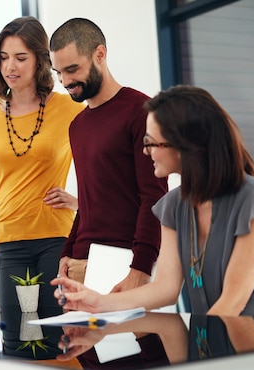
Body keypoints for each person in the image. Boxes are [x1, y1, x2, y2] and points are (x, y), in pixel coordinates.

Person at [52, 85, 254, 317]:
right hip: (218, 338)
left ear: (185, 145)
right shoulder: (172, 206)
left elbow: (233, 302)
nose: (145, 151)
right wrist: (99, 302)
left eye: (151, 143)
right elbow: (166, 289)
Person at [0, 16, 84, 306]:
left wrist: (79, 202)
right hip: (8, 241)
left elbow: (104, 171)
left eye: (20, 58)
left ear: (40, 60)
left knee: (58, 337)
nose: (10, 67)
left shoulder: (69, 109)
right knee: (15, 338)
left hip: (56, 238)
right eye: (4, 58)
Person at [49, 18, 168, 291]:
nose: (65, 81)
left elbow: (154, 197)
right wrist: (66, 253)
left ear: (99, 54)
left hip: (123, 261)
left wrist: (141, 268)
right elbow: (89, 204)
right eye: (58, 73)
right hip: (80, 264)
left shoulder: (142, 110)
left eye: (72, 69)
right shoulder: (77, 126)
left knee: (141, 335)